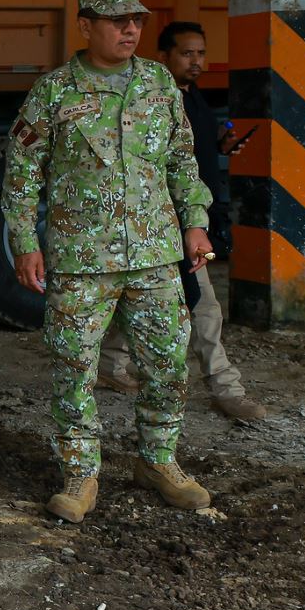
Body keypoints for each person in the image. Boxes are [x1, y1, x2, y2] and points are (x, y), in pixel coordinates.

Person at [1, 0, 215, 525]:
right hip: (81, 259)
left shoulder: (159, 83)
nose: (129, 29)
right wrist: (25, 242)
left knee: (167, 364)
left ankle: (159, 461)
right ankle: (80, 473)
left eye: (136, 20)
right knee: (74, 367)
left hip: (154, 255)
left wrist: (195, 223)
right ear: (86, 25)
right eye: (117, 20)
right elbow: (22, 173)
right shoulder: (55, 91)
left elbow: (182, 161)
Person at [97, 21, 269, 422]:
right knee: (204, 306)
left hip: (191, 220)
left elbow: (187, 158)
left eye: (201, 53)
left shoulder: (193, 99)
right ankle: (226, 389)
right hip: (165, 223)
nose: (196, 61)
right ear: (164, 57)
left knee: (139, 295)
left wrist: (220, 145)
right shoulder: (150, 102)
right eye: (186, 53)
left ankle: (109, 364)